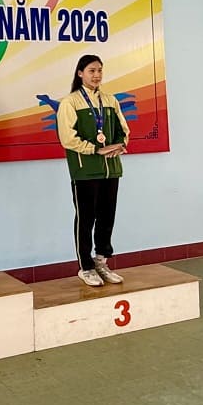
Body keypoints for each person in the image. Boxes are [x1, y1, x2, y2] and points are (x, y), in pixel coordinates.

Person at [56, 54, 130, 287]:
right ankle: (85, 266)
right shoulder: (70, 102)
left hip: (111, 170)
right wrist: (95, 149)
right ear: (80, 73)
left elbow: (123, 128)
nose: (96, 75)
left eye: (99, 70)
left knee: (107, 217)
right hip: (85, 171)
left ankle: (101, 260)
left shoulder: (110, 100)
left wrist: (119, 144)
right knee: (86, 219)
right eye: (91, 71)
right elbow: (67, 138)